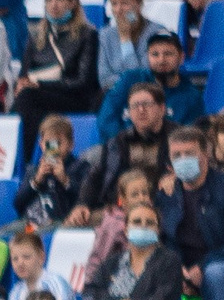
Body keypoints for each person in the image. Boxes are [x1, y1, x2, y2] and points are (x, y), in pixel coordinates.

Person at [159, 124, 224, 300]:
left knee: (216, 275)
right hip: (181, 266)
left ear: (205, 154)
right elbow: (164, 240)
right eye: (177, 155)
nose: (183, 160)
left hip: (217, 263)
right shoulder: (166, 194)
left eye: (190, 153)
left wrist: (202, 267)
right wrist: (181, 270)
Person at [12, 0, 101, 151]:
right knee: (28, 101)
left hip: (74, 98)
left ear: (72, 2)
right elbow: (24, 73)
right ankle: (42, 157)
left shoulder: (88, 34)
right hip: (40, 97)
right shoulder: (37, 34)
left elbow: (83, 82)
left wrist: (40, 85)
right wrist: (22, 83)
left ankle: (21, 155)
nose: (54, 5)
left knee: (28, 97)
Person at [76, 80, 178, 217]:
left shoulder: (180, 138)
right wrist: (82, 204)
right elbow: (95, 175)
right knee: (77, 222)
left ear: (162, 108)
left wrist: (178, 179)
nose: (141, 110)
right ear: (128, 112)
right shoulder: (117, 142)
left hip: (165, 210)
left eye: (147, 104)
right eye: (135, 106)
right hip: (120, 210)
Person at [100, 28, 202, 134]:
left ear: (181, 57)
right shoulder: (130, 79)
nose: (161, 60)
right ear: (148, 57)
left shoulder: (192, 97)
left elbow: (190, 137)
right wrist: (123, 146)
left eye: (168, 54)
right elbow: (106, 118)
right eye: (155, 54)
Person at [14, 113, 83, 229]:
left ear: (71, 145)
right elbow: (18, 204)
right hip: (30, 223)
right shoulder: (34, 169)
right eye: (49, 143)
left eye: (58, 143)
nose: (53, 149)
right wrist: (36, 181)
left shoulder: (80, 167)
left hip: (61, 222)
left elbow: (83, 200)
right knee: (1, 235)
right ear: (41, 145)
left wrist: (65, 180)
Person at [99, 0, 154, 107]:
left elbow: (141, 78)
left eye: (124, 3)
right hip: (115, 94)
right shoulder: (105, 35)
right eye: (114, 4)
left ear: (138, 4)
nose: (118, 10)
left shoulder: (154, 33)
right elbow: (104, 78)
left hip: (147, 95)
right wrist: (124, 84)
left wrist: (125, 40)